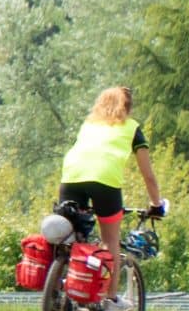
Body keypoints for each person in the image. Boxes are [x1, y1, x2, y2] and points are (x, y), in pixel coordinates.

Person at [57, 84, 167, 288]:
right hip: (105, 181)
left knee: (66, 238)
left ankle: (58, 287)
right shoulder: (131, 127)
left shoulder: (88, 125)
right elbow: (148, 176)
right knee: (110, 241)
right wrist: (156, 204)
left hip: (70, 178)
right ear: (127, 107)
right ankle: (110, 297)